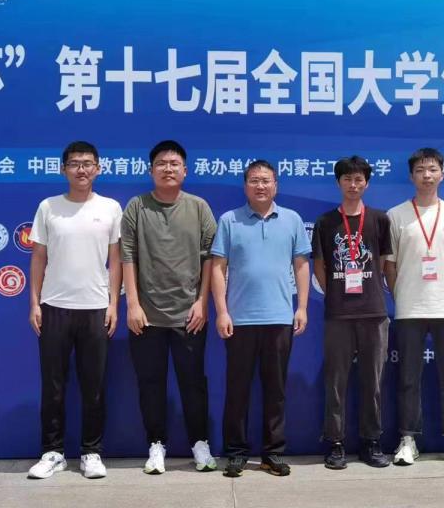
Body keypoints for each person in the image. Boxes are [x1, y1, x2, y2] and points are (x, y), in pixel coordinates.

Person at [27, 141, 122, 480]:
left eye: (87, 163)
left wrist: (114, 304)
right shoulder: (48, 207)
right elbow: (38, 257)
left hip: (96, 308)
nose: (81, 169)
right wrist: (34, 302)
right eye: (74, 163)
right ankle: (52, 452)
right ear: (63, 169)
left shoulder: (110, 208)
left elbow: (116, 261)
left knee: (93, 385)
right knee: (53, 385)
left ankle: (91, 452)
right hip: (54, 307)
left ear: (98, 168)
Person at [122, 140, 218, 475]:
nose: (168, 169)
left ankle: (200, 444)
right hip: (146, 317)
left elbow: (210, 258)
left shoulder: (199, 207)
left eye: (174, 163)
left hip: (189, 315)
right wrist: (132, 304)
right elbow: (127, 256)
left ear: (185, 170)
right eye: (161, 164)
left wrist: (202, 302)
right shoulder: (137, 207)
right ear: (151, 170)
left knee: (193, 383)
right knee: (150, 384)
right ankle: (156, 445)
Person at [211, 160, 311, 478]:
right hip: (239, 319)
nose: (260, 186)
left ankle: (272, 453)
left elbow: (301, 266)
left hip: (279, 317)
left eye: (266, 180)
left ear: (276, 185)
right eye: (254, 180)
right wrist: (222, 311)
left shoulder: (292, 220)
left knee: (275, 390)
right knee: (237, 390)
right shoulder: (230, 220)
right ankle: (236, 453)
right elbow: (217, 268)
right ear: (245, 186)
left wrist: (302, 307)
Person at [383, 147, 444, 469]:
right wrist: (402, 294)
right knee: (408, 377)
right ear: (411, 176)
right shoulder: (396, 215)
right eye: (421, 170)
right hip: (409, 308)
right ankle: (408, 439)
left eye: (433, 169)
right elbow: (390, 265)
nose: (427, 175)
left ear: (442, 173)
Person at [312, 156, 392, 469]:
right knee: (336, 382)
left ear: (367, 183)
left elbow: (382, 262)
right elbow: (320, 266)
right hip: (338, 313)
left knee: (373, 381)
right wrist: (334, 291)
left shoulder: (380, 219)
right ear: (338, 182)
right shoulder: (325, 222)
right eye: (347, 179)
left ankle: (371, 442)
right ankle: (335, 443)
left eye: (359, 179)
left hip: (373, 311)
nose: (353, 185)